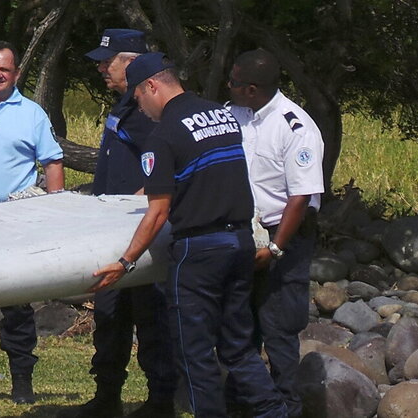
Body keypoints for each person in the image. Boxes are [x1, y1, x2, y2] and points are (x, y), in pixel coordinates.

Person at [91, 52, 288, 418]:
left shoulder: (163, 134)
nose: (141, 107)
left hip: (199, 253)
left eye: (138, 97)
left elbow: (158, 211)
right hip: (240, 242)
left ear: (151, 85)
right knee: (239, 348)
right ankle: (274, 413)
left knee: (194, 354)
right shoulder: (221, 114)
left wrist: (125, 261)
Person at [71, 29, 178, 418]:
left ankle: (160, 400)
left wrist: (139, 202)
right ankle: (106, 397)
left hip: (140, 234)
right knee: (109, 317)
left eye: (107, 60)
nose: (101, 67)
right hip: (109, 235)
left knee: (151, 320)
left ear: (131, 63)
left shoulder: (151, 113)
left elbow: (166, 168)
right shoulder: (122, 106)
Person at [0, 40, 64, 405]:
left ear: (16, 73)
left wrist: (54, 214)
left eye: (5, 69)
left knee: (18, 309)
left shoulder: (33, 114)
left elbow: (52, 163)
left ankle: (21, 381)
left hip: (15, 217)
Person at [225, 49, 323, 417]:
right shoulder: (232, 114)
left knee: (279, 327)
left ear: (252, 88)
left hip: (284, 233)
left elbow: (301, 195)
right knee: (239, 322)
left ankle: (286, 407)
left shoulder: (295, 126)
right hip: (240, 229)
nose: (227, 86)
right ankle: (240, 403)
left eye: (233, 81)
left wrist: (276, 248)